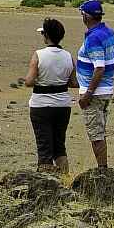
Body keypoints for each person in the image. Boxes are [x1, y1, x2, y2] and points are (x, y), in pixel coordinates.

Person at [25, 17, 77, 175]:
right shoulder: (68, 56)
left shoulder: (38, 55)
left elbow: (29, 81)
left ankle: (45, 180)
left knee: (44, 148)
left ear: (46, 35)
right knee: (59, 147)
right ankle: (65, 178)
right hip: (62, 105)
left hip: (41, 106)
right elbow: (73, 82)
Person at [75, 0, 114, 168]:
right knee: (99, 131)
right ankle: (103, 169)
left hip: (95, 94)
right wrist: (108, 82)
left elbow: (99, 68)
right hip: (105, 90)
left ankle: (102, 170)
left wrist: (88, 94)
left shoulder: (93, 38)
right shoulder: (109, 33)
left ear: (86, 16)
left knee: (96, 135)